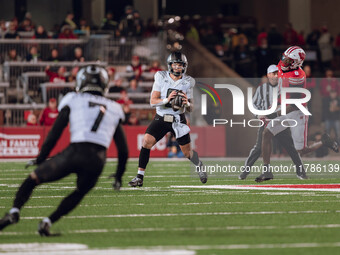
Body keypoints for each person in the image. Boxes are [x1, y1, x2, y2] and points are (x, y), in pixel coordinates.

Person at [0, 65, 128, 236]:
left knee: (33, 179)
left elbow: (55, 133)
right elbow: (124, 150)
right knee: (79, 193)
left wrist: (41, 158)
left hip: (75, 152)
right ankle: (47, 222)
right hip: (97, 160)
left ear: (81, 82)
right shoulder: (114, 107)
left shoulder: (73, 98)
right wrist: (119, 175)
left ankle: (15, 211)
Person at [256, 46, 339, 182]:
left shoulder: (297, 77)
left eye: (288, 60)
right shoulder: (283, 65)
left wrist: (271, 114)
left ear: (296, 63)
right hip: (284, 107)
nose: (284, 61)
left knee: (301, 150)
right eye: (284, 58)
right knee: (267, 133)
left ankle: (324, 141)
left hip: (297, 112)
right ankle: (267, 171)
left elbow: (293, 105)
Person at [128, 52, 207, 187]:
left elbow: (191, 108)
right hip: (162, 116)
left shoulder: (188, 81)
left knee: (187, 153)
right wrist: (167, 100)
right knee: (147, 141)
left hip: (178, 119)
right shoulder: (161, 76)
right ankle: (139, 177)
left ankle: (199, 165)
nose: (177, 68)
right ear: (170, 65)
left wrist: (187, 103)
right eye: (175, 64)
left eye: (180, 65)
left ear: (184, 66)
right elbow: (152, 101)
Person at [239, 65, 307, 180]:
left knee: (290, 147)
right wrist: (258, 115)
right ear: (268, 75)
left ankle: (301, 172)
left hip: (280, 121)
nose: (275, 76)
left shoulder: (284, 87)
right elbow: (253, 106)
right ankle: (245, 171)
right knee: (258, 148)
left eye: (277, 73)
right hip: (266, 122)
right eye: (272, 74)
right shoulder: (261, 89)